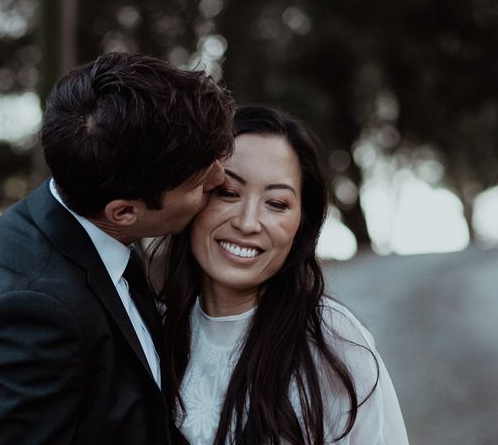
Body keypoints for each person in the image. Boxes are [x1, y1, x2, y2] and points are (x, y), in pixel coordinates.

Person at [0, 52, 235, 445]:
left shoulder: (78, 214)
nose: (221, 175)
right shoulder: (35, 316)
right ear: (124, 211)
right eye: (199, 182)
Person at [156, 105, 409, 444]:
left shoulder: (332, 342)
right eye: (228, 193)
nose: (247, 222)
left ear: (300, 226)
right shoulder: (149, 332)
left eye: (276, 203)